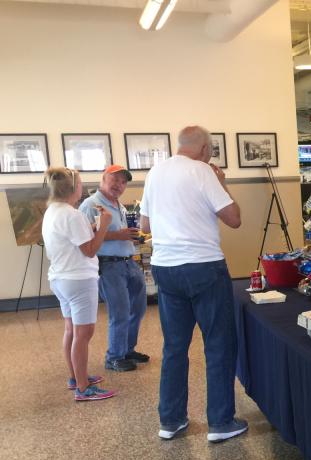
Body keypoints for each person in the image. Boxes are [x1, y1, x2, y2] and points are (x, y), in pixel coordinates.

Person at [140, 125, 247, 443]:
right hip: (203, 267)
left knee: (174, 346)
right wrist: (222, 184)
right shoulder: (203, 171)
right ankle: (221, 422)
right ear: (204, 149)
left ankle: (170, 420)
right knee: (218, 344)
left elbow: (145, 224)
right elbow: (234, 219)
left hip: (165, 268)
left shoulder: (155, 173)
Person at [41, 167, 116, 401]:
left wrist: (93, 227)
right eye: (81, 183)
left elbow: (73, 239)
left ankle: (76, 377)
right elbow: (90, 250)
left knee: (71, 330)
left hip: (60, 278)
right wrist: (104, 225)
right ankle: (83, 389)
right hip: (79, 280)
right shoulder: (72, 215)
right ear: (74, 188)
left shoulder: (52, 211)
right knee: (83, 334)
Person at [79, 165, 149, 372]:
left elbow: (123, 233)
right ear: (103, 178)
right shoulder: (91, 205)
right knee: (120, 312)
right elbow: (84, 238)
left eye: (123, 182)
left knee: (138, 309)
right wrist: (118, 235)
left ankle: (127, 350)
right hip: (108, 265)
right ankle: (114, 357)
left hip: (129, 262)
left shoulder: (119, 206)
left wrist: (133, 236)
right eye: (115, 179)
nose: (119, 185)